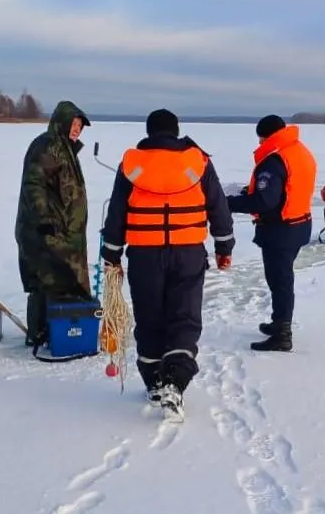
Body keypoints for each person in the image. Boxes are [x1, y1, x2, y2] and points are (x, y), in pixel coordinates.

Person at [99, 108, 235, 419]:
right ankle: (175, 381)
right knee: (184, 318)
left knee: (150, 318)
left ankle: (155, 382)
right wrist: (224, 246)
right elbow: (218, 206)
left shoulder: (131, 163)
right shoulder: (198, 161)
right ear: (176, 131)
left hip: (144, 255)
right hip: (188, 254)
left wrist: (111, 254)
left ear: (148, 133)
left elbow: (117, 212)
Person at [227, 114, 317, 352]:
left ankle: (282, 334)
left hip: (281, 231)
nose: (259, 143)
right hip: (299, 224)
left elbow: (264, 201)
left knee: (280, 281)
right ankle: (279, 323)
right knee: (282, 279)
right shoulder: (299, 151)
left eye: (260, 139)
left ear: (267, 136)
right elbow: (287, 188)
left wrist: (229, 203)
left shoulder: (274, 160)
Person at [14, 100, 93, 348]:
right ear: (62, 122)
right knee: (47, 280)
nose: (77, 129)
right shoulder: (48, 146)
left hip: (63, 230)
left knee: (60, 281)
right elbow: (33, 184)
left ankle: (57, 332)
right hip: (45, 230)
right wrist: (44, 219)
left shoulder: (65, 149)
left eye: (80, 126)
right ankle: (41, 333)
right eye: (74, 124)